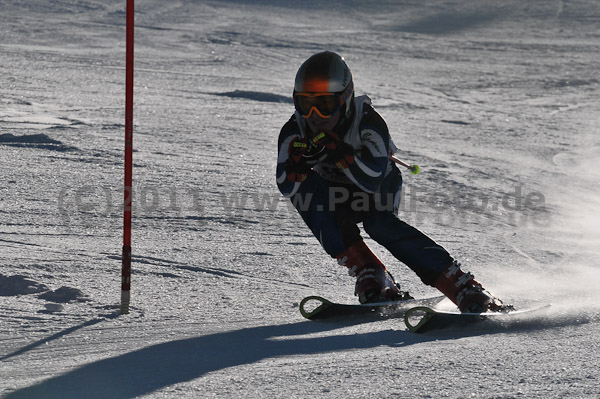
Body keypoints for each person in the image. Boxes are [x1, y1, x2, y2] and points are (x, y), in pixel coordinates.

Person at [276, 51, 505, 313]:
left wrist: (343, 155)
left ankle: (463, 286)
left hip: (378, 187)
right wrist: (295, 168)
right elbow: (285, 186)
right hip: (335, 193)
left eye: (325, 105)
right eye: (306, 105)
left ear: (346, 99)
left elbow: (371, 178)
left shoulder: (368, 123)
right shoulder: (294, 130)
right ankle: (371, 273)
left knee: (379, 224)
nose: (315, 115)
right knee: (306, 194)